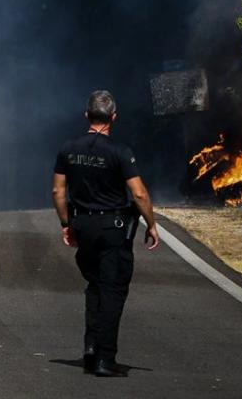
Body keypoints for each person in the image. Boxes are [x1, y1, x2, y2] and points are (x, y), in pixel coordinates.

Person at [52, 90, 159, 377]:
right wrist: (151, 223)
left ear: (87, 115)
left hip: (82, 225)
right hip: (113, 228)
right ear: (114, 117)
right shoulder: (120, 152)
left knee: (95, 285)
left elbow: (58, 191)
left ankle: (90, 346)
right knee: (113, 291)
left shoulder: (68, 149)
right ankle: (104, 358)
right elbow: (138, 193)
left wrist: (66, 223)